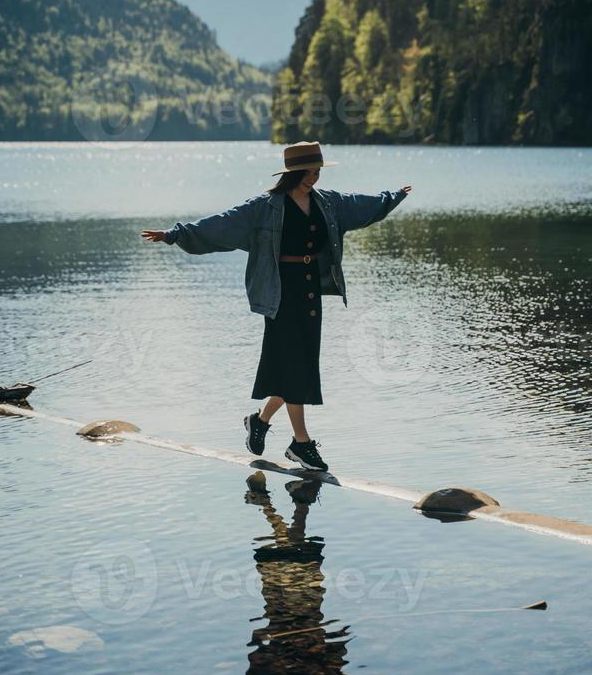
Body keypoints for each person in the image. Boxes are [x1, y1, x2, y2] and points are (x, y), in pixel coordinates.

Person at [141, 140, 412, 472]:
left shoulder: (327, 203)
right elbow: (221, 225)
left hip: (310, 290)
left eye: (318, 170)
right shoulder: (265, 207)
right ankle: (301, 443)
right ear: (296, 171)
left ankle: (260, 421)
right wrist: (174, 234)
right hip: (280, 292)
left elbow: (360, 207)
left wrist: (392, 197)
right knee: (296, 367)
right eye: (312, 170)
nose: (316, 175)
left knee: (297, 366)